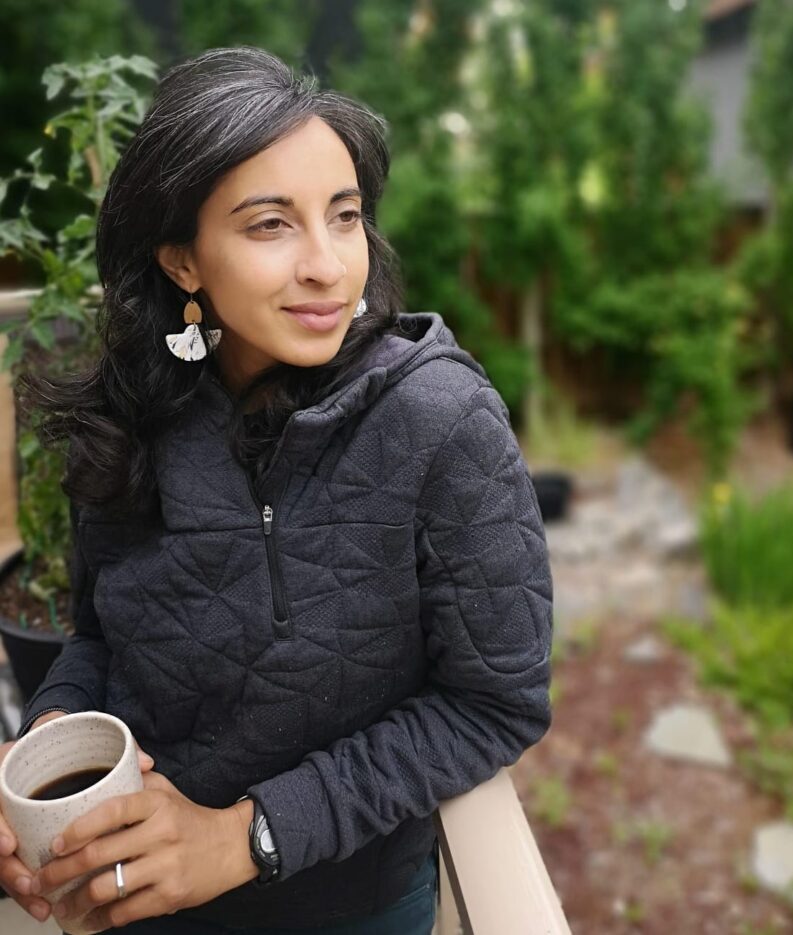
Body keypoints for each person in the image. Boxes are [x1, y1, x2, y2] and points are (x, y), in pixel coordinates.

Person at [0, 46, 553, 934]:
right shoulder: (134, 408)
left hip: (346, 910)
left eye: (345, 217)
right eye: (270, 225)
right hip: (137, 902)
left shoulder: (442, 424)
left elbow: (493, 703)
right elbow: (104, 638)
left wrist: (244, 837)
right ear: (182, 258)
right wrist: (54, 743)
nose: (329, 265)